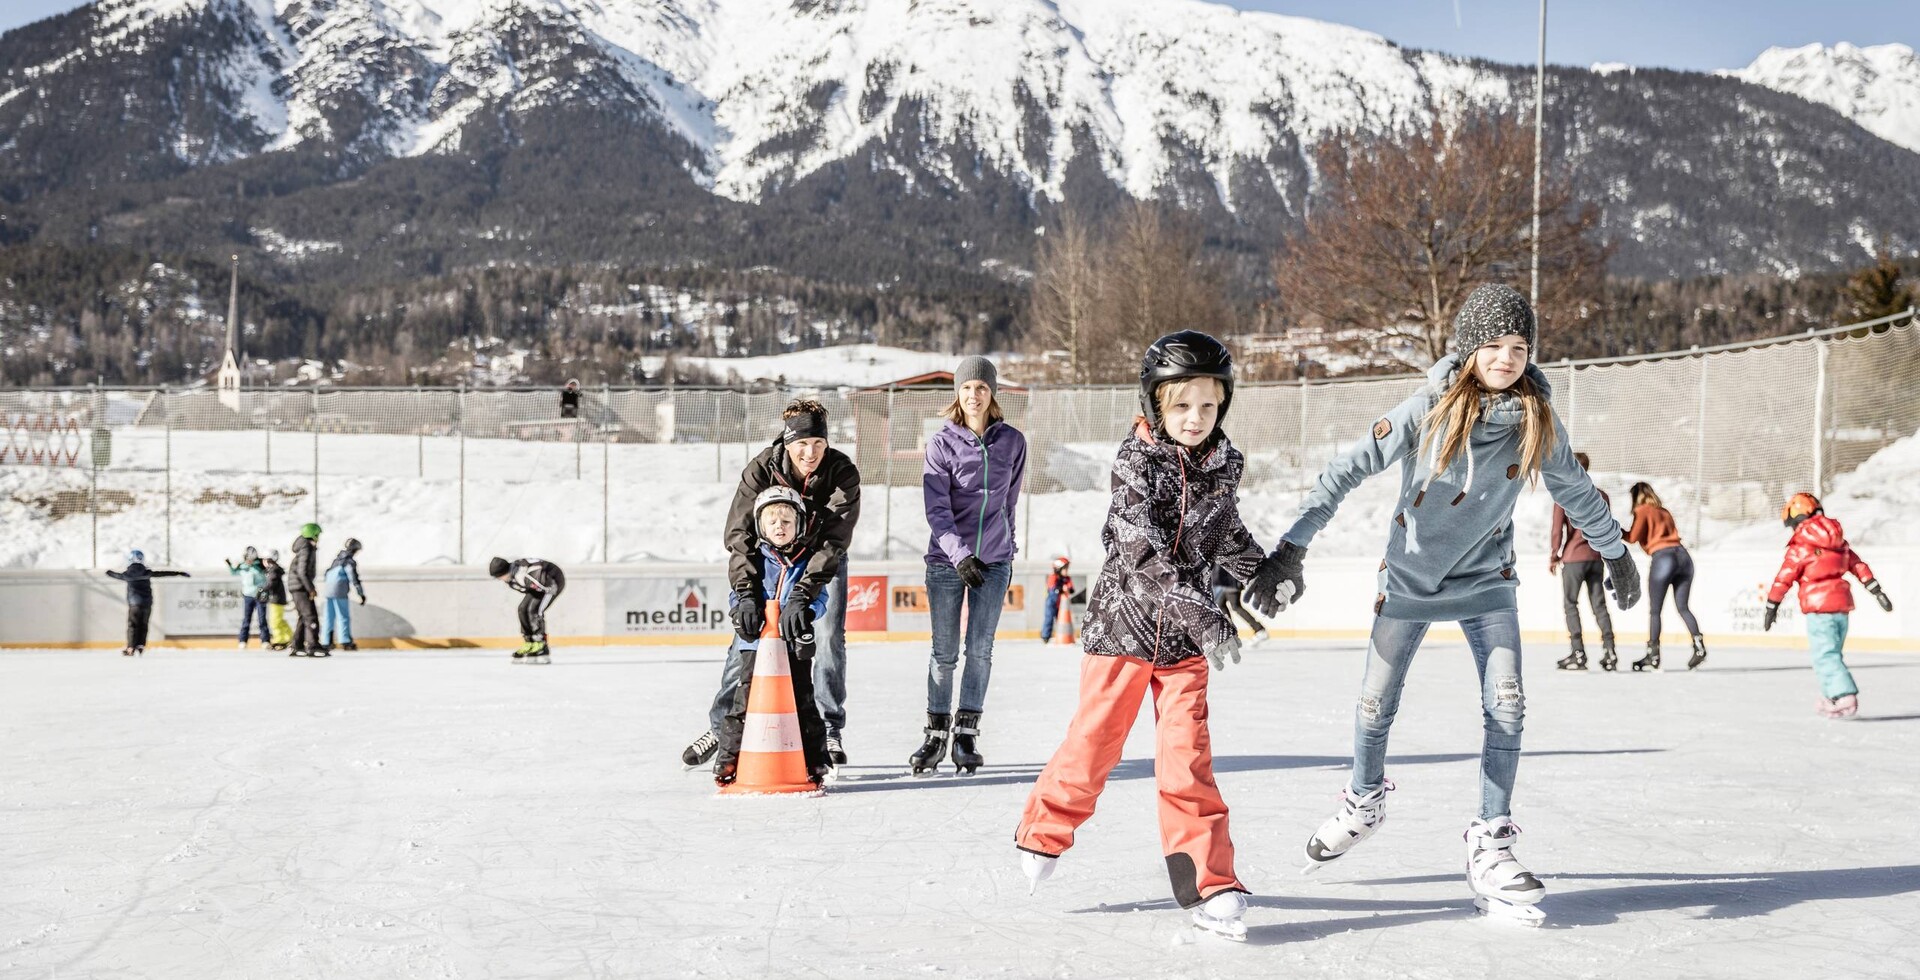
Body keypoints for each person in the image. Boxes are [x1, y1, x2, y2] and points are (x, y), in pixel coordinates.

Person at [1245, 283, 1641, 924]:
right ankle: (1363, 800)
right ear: (1468, 349)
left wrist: (1615, 550)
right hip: (1409, 582)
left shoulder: (1537, 420)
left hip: (1488, 582)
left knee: (1506, 704)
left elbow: (1576, 487)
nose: (1507, 359)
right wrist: (1293, 548)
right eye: (1493, 345)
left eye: (1520, 347)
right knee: (1375, 706)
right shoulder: (1426, 408)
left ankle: (1490, 840)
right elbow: (1344, 470)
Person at [1016, 330, 1263, 941]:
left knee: (1188, 760)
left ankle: (1209, 880)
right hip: (1121, 632)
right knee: (1095, 745)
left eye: (1208, 405)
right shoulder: (1133, 464)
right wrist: (1206, 615)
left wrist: (1268, 568)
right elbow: (1141, 554)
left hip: (1183, 647)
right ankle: (1043, 834)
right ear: (1155, 404)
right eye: (1181, 405)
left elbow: (1224, 531)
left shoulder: (1225, 463)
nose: (1195, 418)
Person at [682, 399, 861, 770]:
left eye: (817, 444)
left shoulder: (842, 471)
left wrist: (804, 593)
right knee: (744, 639)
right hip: (768, 559)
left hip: (818, 563)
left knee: (827, 638)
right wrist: (746, 594)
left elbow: (834, 540)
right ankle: (721, 728)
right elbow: (739, 535)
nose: (810, 453)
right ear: (788, 442)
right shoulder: (762, 468)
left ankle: (828, 726)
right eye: (802, 444)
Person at [913, 356, 1027, 775]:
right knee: (944, 654)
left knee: (979, 650)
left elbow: (1009, 501)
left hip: (995, 563)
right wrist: (960, 555)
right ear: (956, 394)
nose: (974, 395)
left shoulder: (1012, 441)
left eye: (981, 387)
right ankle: (935, 734)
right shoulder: (941, 444)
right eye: (966, 388)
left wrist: (1008, 548)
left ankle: (965, 735)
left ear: (992, 392)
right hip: (947, 562)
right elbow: (937, 510)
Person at [714, 486, 834, 787]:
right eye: (772, 522)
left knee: (803, 699)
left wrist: (807, 615)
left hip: (792, 644)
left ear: (798, 525)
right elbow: (737, 594)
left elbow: (820, 597)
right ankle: (728, 759)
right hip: (754, 645)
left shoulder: (807, 561)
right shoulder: (754, 560)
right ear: (760, 526)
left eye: (786, 521)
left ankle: (816, 760)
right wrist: (741, 610)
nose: (779, 527)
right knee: (743, 701)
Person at [1764, 493, 1893, 718]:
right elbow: (1858, 566)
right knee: (1832, 654)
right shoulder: (1838, 541)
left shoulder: (1801, 546)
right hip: (1842, 607)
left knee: (1825, 655)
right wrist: (1876, 590)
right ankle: (1831, 696)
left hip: (1818, 608)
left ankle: (1844, 695)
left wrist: (1771, 605)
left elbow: (1784, 577)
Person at [1625, 482, 1705, 671]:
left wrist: (1613, 530)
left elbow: (1632, 537)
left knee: (1655, 611)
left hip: (1663, 557)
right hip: (1684, 557)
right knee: (1683, 607)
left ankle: (1653, 655)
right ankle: (1699, 645)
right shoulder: (1664, 511)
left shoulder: (1642, 510)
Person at [1550, 453, 1617, 670]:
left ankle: (1578, 653)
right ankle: (1610, 651)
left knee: (1571, 604)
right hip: (1596, 557)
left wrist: (1554, 555)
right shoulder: (1602, 496)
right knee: (1599, 605)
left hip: (1573, 558)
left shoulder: (1563, 495)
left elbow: (1556, 530)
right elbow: (1606, 527)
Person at [106, 549, 189, 656]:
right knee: (144, 624)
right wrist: (179, 573)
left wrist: (108, 572)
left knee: (133, 625)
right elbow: (163, 574)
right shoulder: (147, 572)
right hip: (147, 603)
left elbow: (115, 575)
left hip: (134, 604)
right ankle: (141, 645)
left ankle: (131, 647)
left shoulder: (127, 574)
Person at [490, 556, 566, 663]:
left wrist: (548, 588)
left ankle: (541, 644)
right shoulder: (512, 576)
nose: (500, 580)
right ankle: (529, 642)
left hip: (551, 582)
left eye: (499, 577)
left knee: (535, 611)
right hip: (537, 585)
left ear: (504, 572)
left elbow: (540, 578)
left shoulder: (521, 574)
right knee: (522, 609)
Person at [285, 523, 325, 657]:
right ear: (312, 534)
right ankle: (312, 645)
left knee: (303, 616)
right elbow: (302, 572)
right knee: (310, 616)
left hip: (298, 586)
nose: (318, 537)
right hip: (300, 587)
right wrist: (310, 588)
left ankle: (297, 645)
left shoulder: (305, 547)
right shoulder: (306, 548)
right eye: (317, 535)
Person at [322, 538, 368, 651]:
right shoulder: (349, 561)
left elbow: (326, 573)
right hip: (339, 591)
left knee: (329, 616)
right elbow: (354, 578)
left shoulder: (336, 560)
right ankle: (345, 641)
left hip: (328, 591)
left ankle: (326, 641)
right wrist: (361, 593)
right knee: (343, 617)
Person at [225, 546, 270, 649]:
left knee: (262, 619)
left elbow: (265, 571)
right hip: (248, 595)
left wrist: (254, 565)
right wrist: (229, 564)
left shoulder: (260, 565)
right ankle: (243, 640)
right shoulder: (243, 566)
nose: (248, 560)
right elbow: (234, 572)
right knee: (246, 619)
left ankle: (265, 641)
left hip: (260, 595)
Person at [1214, 566, 1268, 644]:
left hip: (1231, 583)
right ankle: (1230, 634)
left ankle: (1259, 630)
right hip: (1224, 583)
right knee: (1220, 605)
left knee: (1235, 606)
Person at [261, 549, 293, 650]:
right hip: (277, 598)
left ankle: (280, 640)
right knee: (280, 620)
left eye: (264, 559)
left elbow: (271, 583)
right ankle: (290, 636)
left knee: (274, 621)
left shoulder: (273, 570)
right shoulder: (274, 570)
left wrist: (263, 589)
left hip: (276, 599)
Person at [1040, 556, 1075, 643]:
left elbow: (1071, 588)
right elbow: (1052, 587)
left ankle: (1062, 635)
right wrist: (1061, 589)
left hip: (1062, 605)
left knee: (1061, 620)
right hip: (1051, 603)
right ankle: (1045, 636)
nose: (1067, 571)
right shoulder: (1053, 577)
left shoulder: (1067, 578)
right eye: (1065, 569)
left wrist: (1069, 589)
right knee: (1049, 618)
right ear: (1058, 569)